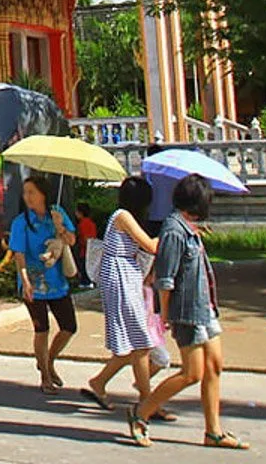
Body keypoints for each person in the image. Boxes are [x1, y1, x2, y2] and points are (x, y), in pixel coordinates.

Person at [129, 175, 248, 450]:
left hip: (205, 309)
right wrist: (166, 315)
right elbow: (165, 279)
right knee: (191, 373)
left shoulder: (187, 228)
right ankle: (141, 412)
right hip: (186, 312)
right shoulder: (173, 231)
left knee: (214, 366)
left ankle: (213, 432)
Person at [84, 176, 175, 420]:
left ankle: (100, 383)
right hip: (121, 280)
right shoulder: (123, 216)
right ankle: (147, 402)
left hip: (127, 278)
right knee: (140, 344)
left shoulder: (127, 217)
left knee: (131, 345)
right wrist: (172, 231)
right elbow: (151, 246)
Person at [8, 174, 77, 394]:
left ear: (43, 194)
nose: (27, 197)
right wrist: (25, 281)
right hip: (34, 283)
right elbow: (18, 253)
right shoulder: (21, 222)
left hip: (57, 282)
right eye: (25, 192)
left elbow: (72, 240)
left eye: (32, 192)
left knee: (68, 326)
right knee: (42, 329)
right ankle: (45, 376)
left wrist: (61, 228)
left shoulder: (57, 213)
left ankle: (48, 360)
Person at [74, 203, 98, 288]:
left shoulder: (82, 224)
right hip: (92, 249)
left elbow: (85, 238)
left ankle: (85, 282)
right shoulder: (92, 223)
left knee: (84, 266)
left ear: (81, 213)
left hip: (85, 250)